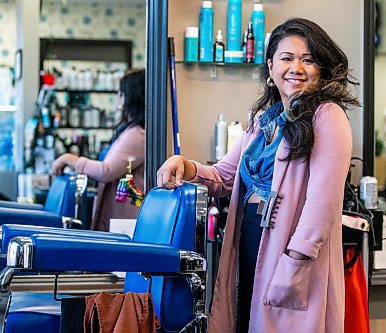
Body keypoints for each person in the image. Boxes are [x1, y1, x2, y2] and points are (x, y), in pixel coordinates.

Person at [157, 18, 359, 333]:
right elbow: (223, 177)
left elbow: (323, 204)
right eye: (287, 58)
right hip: (250, 240)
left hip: (290, 253)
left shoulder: (327, 117)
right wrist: (186, 165)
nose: (297, 67)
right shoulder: (265, 120)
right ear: (270, 66)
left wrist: (293, 263)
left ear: (321, 69)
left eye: (308, 60)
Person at [52, 68, 145, 231]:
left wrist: (68, 158)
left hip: (124, 222)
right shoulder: (131, 132)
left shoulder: (137, 135)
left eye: (121, 94)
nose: (118, 100)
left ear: (129, 97)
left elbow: (106, 171)